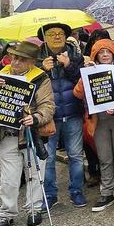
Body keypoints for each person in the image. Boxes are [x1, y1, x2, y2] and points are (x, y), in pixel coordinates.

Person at [0, 40, 56, 226]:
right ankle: (6, 214)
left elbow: (48, 105)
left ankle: (34, 209)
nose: (15, 62)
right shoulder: (0, 74)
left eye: (21, 59)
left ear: (31, 62)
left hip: (32, 134)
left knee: (34, 175)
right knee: (8, 179)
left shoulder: (40, 78)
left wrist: (36, 118)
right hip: (6, 135)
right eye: (14, 57)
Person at [75, 38, 114, 214]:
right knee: (104, 157)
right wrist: (84, 76)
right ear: (95, 54)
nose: (104, 55)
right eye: (100, 52)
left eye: (107, 51)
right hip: (98, 120)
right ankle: (107, 192)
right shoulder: (90, 71)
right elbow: (78, 93)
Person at [37, 23, 86, 210]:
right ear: (44, 37)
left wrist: (69, 66)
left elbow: (83, 81)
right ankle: (49, 194)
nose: (57, 37)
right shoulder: (37, 58)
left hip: (73, 112)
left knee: (75, 155)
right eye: (51, 34)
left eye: (60, 34)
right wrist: (42, 70)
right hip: (48, 116)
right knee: (48, 158)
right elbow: (32, 86)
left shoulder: (75, 55)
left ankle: (76, 191)